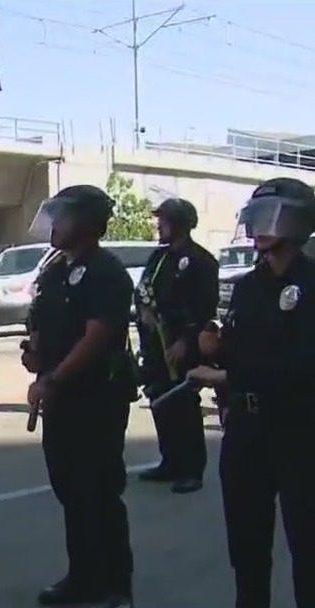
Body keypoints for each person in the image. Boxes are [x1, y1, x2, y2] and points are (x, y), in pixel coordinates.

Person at [187, 177, 315, 608]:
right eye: (256, 217)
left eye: (272, 216)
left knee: (307, 549)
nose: (261, 227)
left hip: (300, 430)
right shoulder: (247, 286)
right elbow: (244, 349)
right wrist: (217, 347)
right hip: (247, 430)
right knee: (247, 549)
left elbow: (302, 364)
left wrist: (226, 378)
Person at [21, 185, 136, 608]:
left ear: (86, 223)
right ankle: (82, 577)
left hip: (97, 397)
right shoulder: (54, 271)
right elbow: (45, 321)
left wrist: (53, 379)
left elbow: (97, 336)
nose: (55, 225)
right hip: (62, 400)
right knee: (70, 490)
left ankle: (115, 587)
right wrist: (37, 355)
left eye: (63, 216)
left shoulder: (106, 271)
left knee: (99, 492)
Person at [135, 197, 218, 495]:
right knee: (160, 399)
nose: (159, 225)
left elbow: (204, 308)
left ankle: (191, 469)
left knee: (183, 403)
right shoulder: (159, 259)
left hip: (184, 344)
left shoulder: (202, 261)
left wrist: (185, 341)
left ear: (180, 223)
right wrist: (143, 311)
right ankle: (170, 461)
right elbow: (144, 289)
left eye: (165, 220)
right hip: (156, 342)